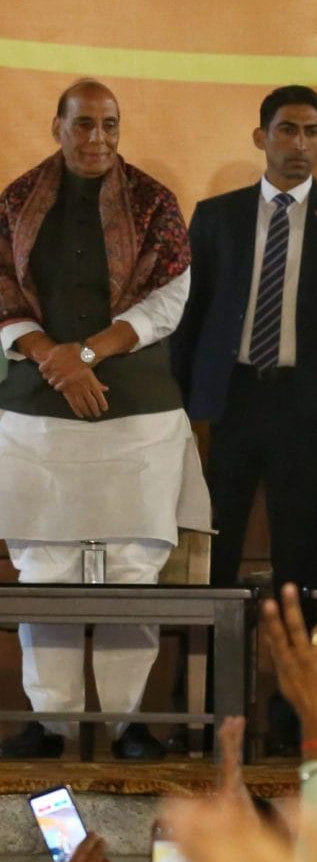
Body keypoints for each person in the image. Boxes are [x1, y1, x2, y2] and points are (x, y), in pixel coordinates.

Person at [0, 79, 209, 761]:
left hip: (138, 414)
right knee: (44, 568)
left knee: (132, 568)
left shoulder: (153, 202)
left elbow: (168, 300)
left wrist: (83, 355)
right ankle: (51, 721)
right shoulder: (15, 202)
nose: (98, 139)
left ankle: (126, 723)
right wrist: (53, 361)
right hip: (36, 418)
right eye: (84, 124)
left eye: (110, 125)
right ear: (56, 125)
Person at [172, 85, 317, 607]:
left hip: (308, 410)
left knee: (302, 560)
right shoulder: (216, 217)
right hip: (229, 404)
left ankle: (298, 688)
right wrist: (176, 412)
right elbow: (188, 319)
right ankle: (204, 686)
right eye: (288, 130)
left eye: (312, 132)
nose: (300, 143)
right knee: (212, 553)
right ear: (262, 137)